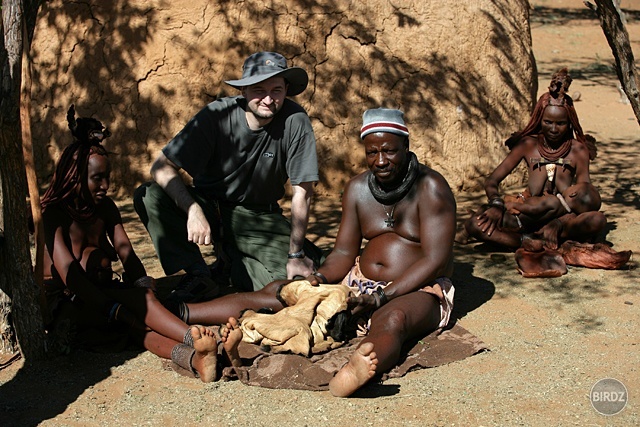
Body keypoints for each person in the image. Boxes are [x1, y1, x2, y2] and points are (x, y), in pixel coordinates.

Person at [177, 108, 457, 397]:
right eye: (372, 152)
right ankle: (183, 313)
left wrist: (381, 297)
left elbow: (435, 261)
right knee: (281, 291)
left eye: (390, 151)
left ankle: (355, 371)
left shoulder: (431, 188)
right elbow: (343, 253)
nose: (381, 160)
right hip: (359, 282)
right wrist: (318, 278)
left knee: (393, 319)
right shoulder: (358, 189)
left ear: (406, 147)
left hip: (417, 288)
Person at [40, 106, 220, 382]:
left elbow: (127, 254)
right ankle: (191, 337)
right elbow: (70, 275)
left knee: (139, 314)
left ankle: (195, 359)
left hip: (102, 294)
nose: (106, 186)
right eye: (97, 178)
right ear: (74, 178)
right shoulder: (54, 214)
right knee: (136, 315)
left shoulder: (106, 208)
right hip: (66, 305)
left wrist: (140, 281)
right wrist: (115, 308)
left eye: (107, 177)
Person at [134, 51, 324, 302]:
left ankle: (233, 267)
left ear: (286, 89)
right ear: (243, 91)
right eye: (258, 89)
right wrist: (192, 210)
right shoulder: (217, 115)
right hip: (210, 206)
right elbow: (161, 166)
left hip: (258, 216)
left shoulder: (295, 120)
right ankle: (198, 272)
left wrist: (295, 254)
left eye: (276, 90)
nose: (268, 99)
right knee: (149, 195)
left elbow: (303, 191)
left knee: (292, 285)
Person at [463, 68, 606, 249]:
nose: (554, 129)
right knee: (475, 224)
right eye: (548, 122)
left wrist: (560, 222)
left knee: (597, 219)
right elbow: (492, 181)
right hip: (524, 216)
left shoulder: (578, 150)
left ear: (569, 122)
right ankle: (527, 242)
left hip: (561, 218)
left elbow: (585, 197)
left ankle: (536, 237)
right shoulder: (528, 145)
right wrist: (496, 205)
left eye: (561, 123)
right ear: (539, 120)